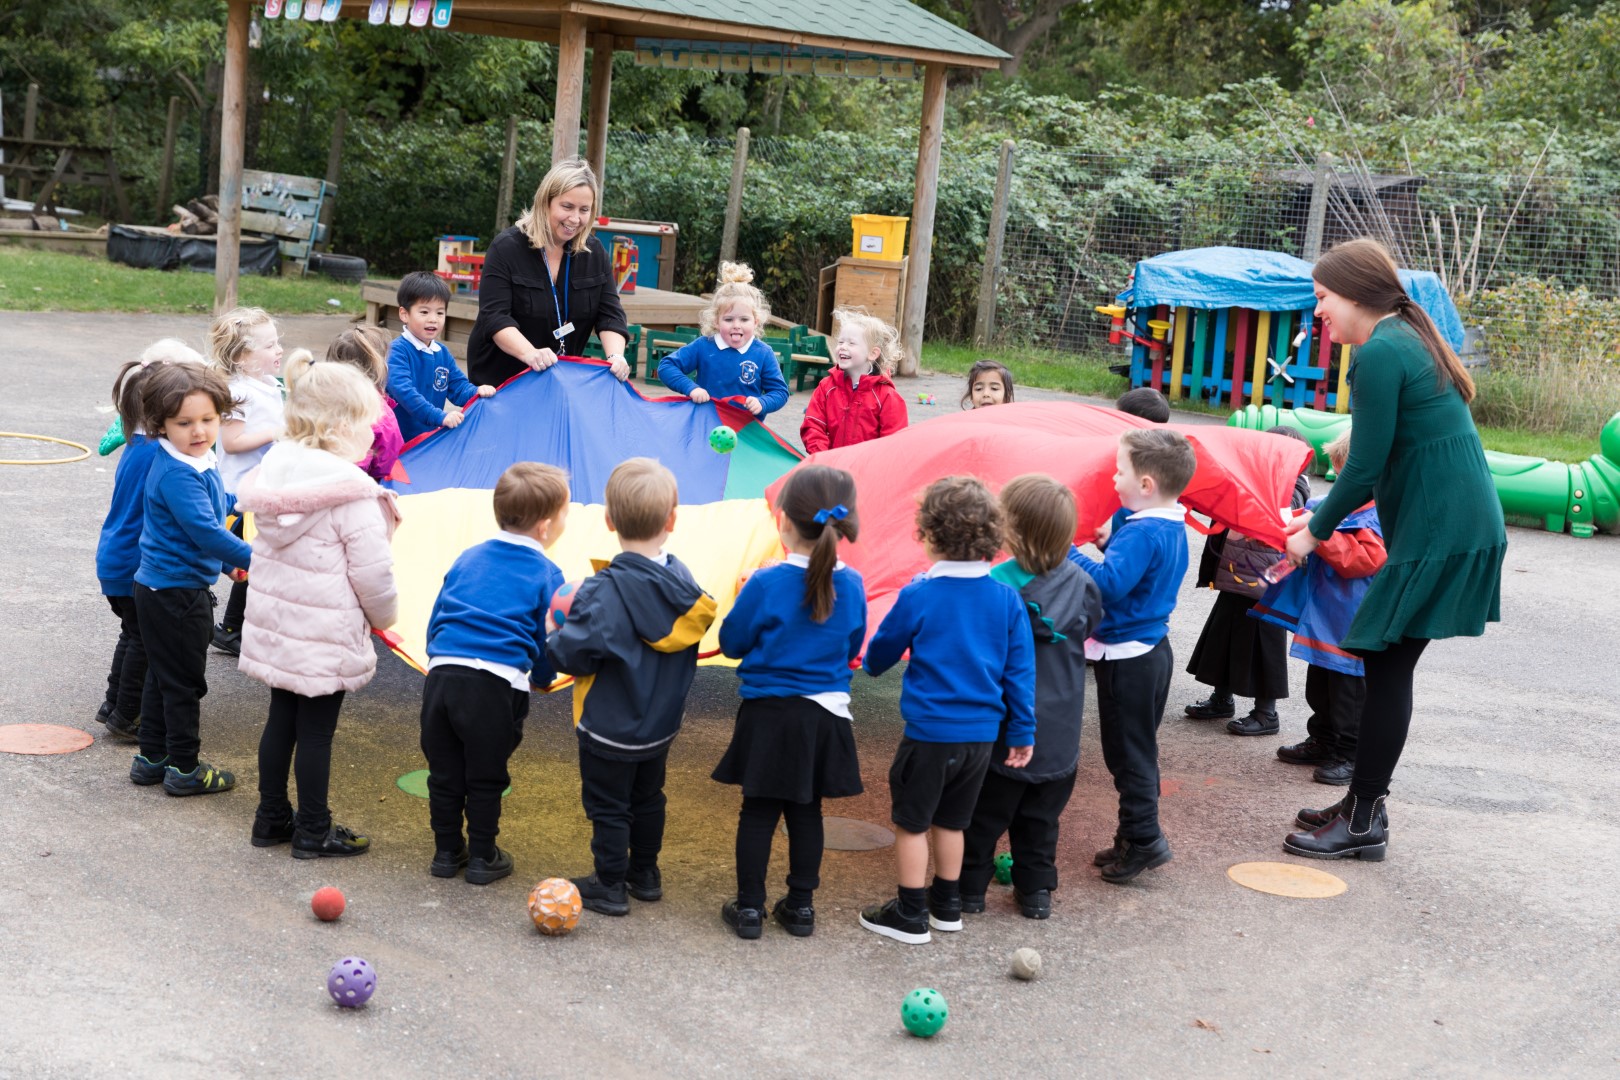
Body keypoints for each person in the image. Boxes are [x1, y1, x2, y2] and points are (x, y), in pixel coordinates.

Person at [1282, 238, 1506, 861]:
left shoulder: (1382, 350)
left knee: (1384, 666)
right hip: (1450, 524)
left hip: (1443, 531)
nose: (1319, 312)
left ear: (1355, 293)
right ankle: (1361, 806)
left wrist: (1311, 532)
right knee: (1385, 665)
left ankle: (1361, 819)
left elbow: (1361, 471)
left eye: (1323, 298)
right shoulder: (1405, 336)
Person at [236, 354, 400, 859]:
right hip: (325, 635)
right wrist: (386, 619)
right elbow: (373, 575)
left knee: (279, 720)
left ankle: (270, 818)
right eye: (368, 426)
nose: (376, 435)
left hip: (279, 628)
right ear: (338, 428)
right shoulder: (352, 496)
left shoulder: (273, 476)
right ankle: (312, 829)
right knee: (317, 735)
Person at [859, 476, 1036, 945]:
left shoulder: (920, 594)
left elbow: (879, 656)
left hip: (930, 734)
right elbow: (1020, 671)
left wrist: (872, 662)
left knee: (912, 822)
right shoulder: (1006, 598)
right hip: (981, 737)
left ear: (927, 534)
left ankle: (911, 913)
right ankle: (948, 905)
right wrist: (1022, 731)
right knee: (953, 821)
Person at [547, 458, 717, 916]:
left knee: (608, 806)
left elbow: (570, 655)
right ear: (672, 520)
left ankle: (608, 883)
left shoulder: (601, 593)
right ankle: (645, 873)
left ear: (608, 519)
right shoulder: (685, 584)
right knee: (648, 798)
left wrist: (551, 631)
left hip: (607, 726)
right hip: (660, 725)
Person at [713, 465, 866, 939]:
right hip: (824, 717)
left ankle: (750, 908)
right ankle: (800, 908)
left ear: (782, 521)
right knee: (807, 813)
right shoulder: (854, 584)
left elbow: (733, 642)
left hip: (769, 714)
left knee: (757, 812)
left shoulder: (765, 583)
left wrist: (742, 594)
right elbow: (853, 645)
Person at [419, 462, 571, 885]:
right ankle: (484, 856)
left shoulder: (469, 557)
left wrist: (439, 656)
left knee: (445, 772)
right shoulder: (547, 573)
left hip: (443, 676)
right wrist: (543, 678)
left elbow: (438, 615)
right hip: (495, 684)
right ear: (545, 526)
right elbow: (544, 640)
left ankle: (447, 852)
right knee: (486, 775)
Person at [960, 475, 1101, 920]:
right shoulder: (1082, 583)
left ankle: (969, 889)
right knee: (1042, 819)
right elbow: (1091, 624)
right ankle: (1036, 891)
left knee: (983, 816)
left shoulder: (995, 585)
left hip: (1004, 724)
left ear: (1010, 530)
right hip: (1060, 729)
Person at [1070, 429, 1197, 884]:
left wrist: (1065, 553)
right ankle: (1131, 834)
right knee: (1130, 751)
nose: (1113, 477)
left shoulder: (1142, 532)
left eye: (1120, 470)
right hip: (1147, 651)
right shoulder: (1166, 523)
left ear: (1146, 484)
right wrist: (1109, 547)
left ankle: (1145, 840)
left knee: (1130, 755)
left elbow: (1107, 586)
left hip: (1130, 657)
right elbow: (1139, 576)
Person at [129, 361, 253, 796]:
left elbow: (212, 511)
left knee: (163, 677)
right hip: (177, 595)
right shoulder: (179, 472)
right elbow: (204, 530)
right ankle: (184, 768)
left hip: (164, 588)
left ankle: (151, 759)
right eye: (185, 423)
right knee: (184, 683)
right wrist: (260, 560)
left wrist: (252, 503)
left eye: (208, 419)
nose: (199, 431)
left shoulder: (194, 459)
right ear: (160, 425)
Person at [95, 340, 207, 743]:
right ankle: (127, 714)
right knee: (144, 638)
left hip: (115, 558)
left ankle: (113, 703)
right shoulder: (157, 456)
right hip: (134, 564)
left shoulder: (136, 442)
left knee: (133, 632)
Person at [1259, 431, 1386, 786]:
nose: (1335, 479)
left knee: (1349, 694)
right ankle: (1324, 738)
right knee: (1320, 685)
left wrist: (1317, 534)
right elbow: (1295, 519)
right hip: (1324, 617)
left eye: (1343, 472)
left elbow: (1361, 559)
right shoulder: (1329, 506)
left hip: (1353, 621)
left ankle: (1350, 754)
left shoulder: (1378, 519)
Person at [1183, 426, 1313, 737]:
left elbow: (1281, 513)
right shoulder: (1255, 478)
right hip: (1237, 571)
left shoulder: (1294, 486)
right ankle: (1221, 697)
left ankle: (1266, 712)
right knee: (1223, 634)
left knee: (1263, 643)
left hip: (1268, 578)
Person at [465, 158, 632, 386]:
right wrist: (529, 353)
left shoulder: (594, 252)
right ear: (546, 203)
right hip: (502, 382)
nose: (575, 219)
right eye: (567, 207)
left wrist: (616, 357)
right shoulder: (505, 248)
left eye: (584, 210)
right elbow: (495, 317)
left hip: (560, 381)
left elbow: (610, 315)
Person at [210, 307, 285, 657]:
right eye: (269, 346)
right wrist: (276, 433)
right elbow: (231, 443)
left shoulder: (269, 385)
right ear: (242, 357)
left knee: (259, 559)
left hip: (262, 489)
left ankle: (235, 627)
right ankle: (231, 628)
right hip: (238, 495)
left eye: (278, 343)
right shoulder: (237, 392)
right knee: (250, 561)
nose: (279, 350)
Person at [658, 263, 789, 418]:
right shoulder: (703, 346)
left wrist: (763, 403)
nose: (736, 326)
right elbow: (666, 366)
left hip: (746, 432)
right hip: (706, 426)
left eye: (744, 319)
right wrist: (691, 388)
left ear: (756, 321)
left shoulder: (763, 353)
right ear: (716, 321)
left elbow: (780, 392)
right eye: (728, 319)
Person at [387, 271, 494, 443]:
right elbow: (406, 394)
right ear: (404, 314)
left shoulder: (442, 353)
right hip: (398, 442)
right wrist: (440, 417)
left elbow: (458, 388)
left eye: (439, 313)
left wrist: (477, 392)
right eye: (424, 312)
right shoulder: (397, 351)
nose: (433, 320)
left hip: (428, 441)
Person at [799, 308, 908, 454]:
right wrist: (823, 458)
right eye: (841, 342)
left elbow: (894, 443)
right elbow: (813, 425)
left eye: (851, 343)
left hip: (867, 472)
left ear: (872, 353)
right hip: (830, 468)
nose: (842, 347)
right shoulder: (826, 387)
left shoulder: (887, 397)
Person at [325, 325, 404, 483]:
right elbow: (386, 463)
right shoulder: (381, 415)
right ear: (380, 367)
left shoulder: (317, 398)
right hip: (359, 488)